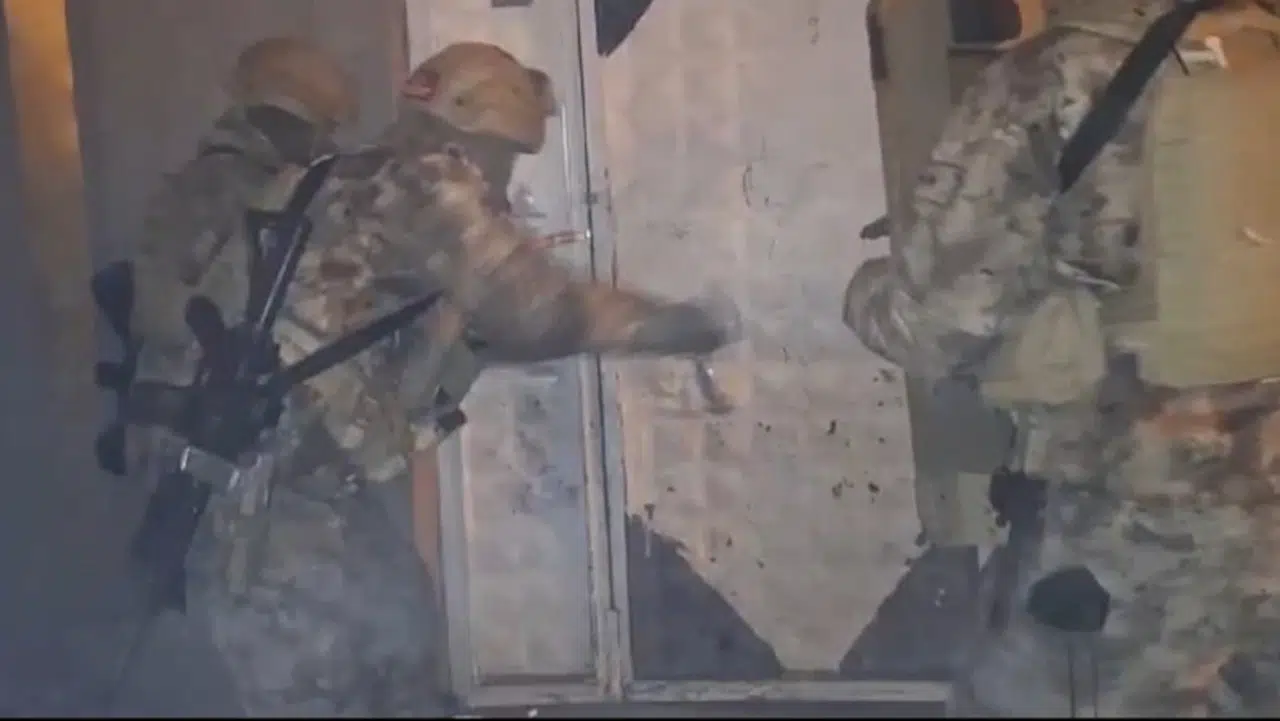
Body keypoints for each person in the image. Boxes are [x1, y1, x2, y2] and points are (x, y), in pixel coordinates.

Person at [178, 41, 740, 715]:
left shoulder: (340, 175)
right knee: (344, 682)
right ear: (476, 128)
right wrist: (681, 325)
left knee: (403, 651)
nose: (504, 180)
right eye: (507, 156)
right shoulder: (427, 182)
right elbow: (537, 313)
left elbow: (474, 327)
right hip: (278, 520)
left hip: (285, 493)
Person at [843, 0, 1280, 715]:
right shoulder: (1262, 46)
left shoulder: (1056, 75)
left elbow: (934, 323)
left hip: (1131, 529)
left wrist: (865, 292)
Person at [130, 36, 358, 388]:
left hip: (215, 395)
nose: (326, 144)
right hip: (191, 401)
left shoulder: (259, 182)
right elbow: (165, 318)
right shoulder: (224, 185)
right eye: (322, 129)